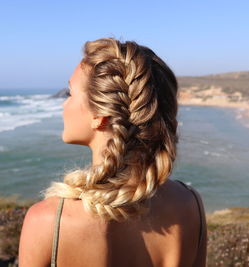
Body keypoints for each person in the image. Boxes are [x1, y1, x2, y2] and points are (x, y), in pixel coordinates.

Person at [19, 37, 207, 267]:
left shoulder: (49, 221)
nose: (63, 105)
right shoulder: (190, 204)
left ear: (100, 115)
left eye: (70, 94)